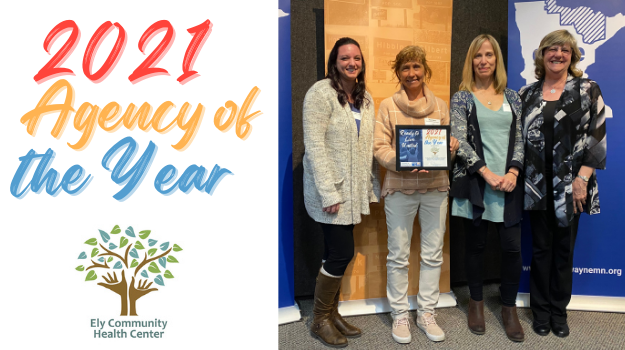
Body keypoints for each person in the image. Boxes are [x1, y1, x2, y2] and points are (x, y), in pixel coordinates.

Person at [520, 29, 606, 338]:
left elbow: (596, 139)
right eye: (552, 49)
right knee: (541, 250)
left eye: (564, 50)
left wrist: (582, 180)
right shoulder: (527, 94)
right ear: (542, 55)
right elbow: (518, 141)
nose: (558, 54)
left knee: (563, 250)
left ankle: (559, 312)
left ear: (573, 55)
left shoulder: (587, 89)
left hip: (573, 186)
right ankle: (540, 312)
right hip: (536, 186)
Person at [374, 45, 459, 344]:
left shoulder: (440, 106)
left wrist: (451, 147)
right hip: (400, 188)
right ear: (398, 73)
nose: (412, 73)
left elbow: (445, 145)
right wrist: (405, 164)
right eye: (405, 68)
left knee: (433, 254)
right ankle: (399, 314)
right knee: (398, 255)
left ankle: (426, 312)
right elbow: (379, 148)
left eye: (416, 67)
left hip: (436, 187)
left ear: (425, 70)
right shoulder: (386, 106)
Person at [302, 37, 381, 348]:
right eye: (345, 58)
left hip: (353, 190)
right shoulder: (320, 94)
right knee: (341, 253)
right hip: (330, 193)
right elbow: (315, 147)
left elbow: (366, 149)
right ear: (334, 62)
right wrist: (328, 193)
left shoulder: (365, 98)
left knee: (332, 254)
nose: (352, 63)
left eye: (357, 58)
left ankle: (331, 314)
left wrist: (370, 188)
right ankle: (319, 319)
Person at [450, 34, 525, 342]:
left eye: (489, 55)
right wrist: (485, 172)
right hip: (476, 184)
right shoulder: (462, 97)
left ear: (497, 60)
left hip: (508, 184)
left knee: (512, 249)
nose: (483, 61)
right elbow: (459, 139)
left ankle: (509, 308)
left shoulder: (513, 96)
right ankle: (476, 304)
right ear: (471, 61)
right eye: (478, 56)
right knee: (476, 247)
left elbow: (521, 138)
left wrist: (512, 171)